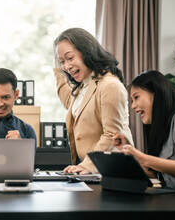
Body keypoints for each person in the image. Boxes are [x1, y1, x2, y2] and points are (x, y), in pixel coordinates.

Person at [53, 28, 133, 174]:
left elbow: (112, 135)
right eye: (62, 61)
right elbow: (68, 102)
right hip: (91, 171)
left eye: (70, 58)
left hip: (110, 170)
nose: (66, 66)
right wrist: (58, 68)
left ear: (87, 52)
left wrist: (86, 165)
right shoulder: (84, 85)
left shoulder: (110, 85)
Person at [113, 70, 175, 192]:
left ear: (157, 94)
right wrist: (130, 152)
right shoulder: (160, 128)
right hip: (168, 195)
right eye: (132, 100)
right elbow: (155, 175)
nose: (133, 106)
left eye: (136, 97)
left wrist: (142, 158)